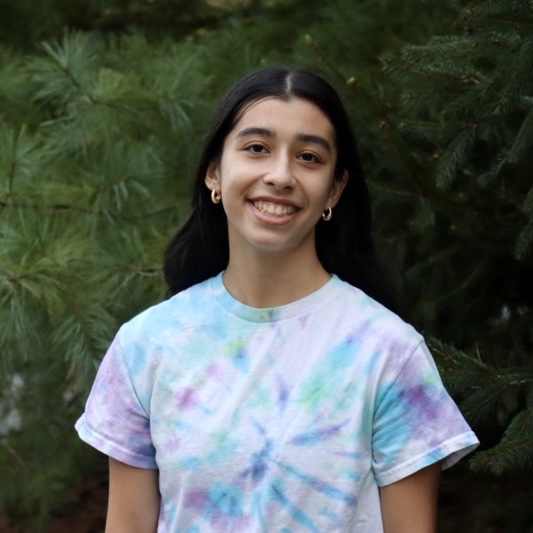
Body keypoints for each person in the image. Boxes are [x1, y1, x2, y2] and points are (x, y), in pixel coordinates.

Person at [75, 66, 479, 532]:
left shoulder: (388, 351)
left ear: (335, 188)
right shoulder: (145, 346)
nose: (281, 175)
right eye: (256, 149)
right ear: (214, 173)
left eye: (309, 157)